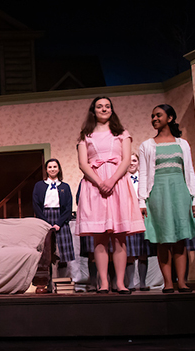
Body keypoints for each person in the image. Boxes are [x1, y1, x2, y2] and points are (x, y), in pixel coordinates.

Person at [76, 96, 145, 294]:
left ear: (112, 110)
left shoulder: (122, 133)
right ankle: (104, 283)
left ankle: (121, 283)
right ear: (93, 110)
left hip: (117, 184)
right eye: (100, 106)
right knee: (100, 237)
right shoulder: (85, 135)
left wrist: (112, 180)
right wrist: (99, 182)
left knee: (119, 237)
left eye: (107, 106)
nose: (104, 109)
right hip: (94, 186)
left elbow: (125, 161)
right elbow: (83, 163)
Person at [139, 104, 195, 293]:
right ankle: (168, 282)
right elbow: (144, 175)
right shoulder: (146, 145)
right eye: (152, 116)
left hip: (180, 192)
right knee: (162, 238)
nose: (154, 119)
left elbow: (189, 171)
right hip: (158, 194)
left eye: (158, 115)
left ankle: (182, 282)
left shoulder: (182, 143)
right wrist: (141, 201)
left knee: (179, 238)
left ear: (170, 118)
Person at [33, 158, 76, 270]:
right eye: (50, 167)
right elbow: (36, 205)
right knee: (46, 250)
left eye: (55, 167)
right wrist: (45, 223)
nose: (52, 169)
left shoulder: (64, 186)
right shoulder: (39, 185)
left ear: (59, 169)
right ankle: (48, 281)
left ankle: (63, 277)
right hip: (45, 217)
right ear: (46, 170)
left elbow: (68, 207)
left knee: (63, 251)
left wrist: (59, 223)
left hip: (61, 219)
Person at [124, 153, 154, 291]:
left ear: (139, 163)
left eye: (134, 160)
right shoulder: (122, 179)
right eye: (129, 161)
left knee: (143, 250)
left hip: (144, 215)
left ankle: (142, 282)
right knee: (130, 251)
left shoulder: (144, 178)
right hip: (128, 215)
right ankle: (130, 283)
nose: (132, 163)